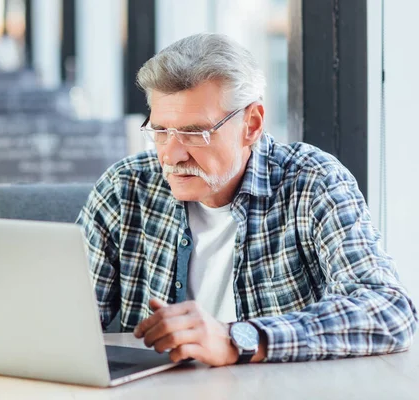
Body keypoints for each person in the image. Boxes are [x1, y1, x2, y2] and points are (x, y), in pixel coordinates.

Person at [76, 33, 417, 366]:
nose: (172, 154)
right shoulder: (125, 187)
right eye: (161, 131)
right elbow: (67, 318)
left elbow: (389, 310)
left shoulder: (313, 183)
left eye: (195, 132)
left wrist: (239, 339)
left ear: (251, 125)